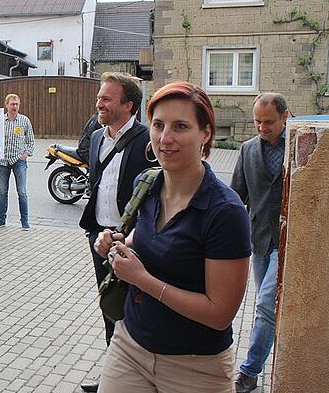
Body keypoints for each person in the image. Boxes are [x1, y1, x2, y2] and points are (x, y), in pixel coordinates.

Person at [94, 81, 251, 392]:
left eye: (180, 126)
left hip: (195, 367)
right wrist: (117, 246)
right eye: (158, 125)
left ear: (205, 133)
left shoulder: (225, 212)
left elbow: (219, 314)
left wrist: (141, 279)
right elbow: (146, 238)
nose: (165, 139)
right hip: (130, 347)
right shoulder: (147, 184)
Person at [76, 73, 153, 393]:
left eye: (106, 99)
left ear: (128, 105)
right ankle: (113, 374)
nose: (99, 104)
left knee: (136, 309)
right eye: (99, 98)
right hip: (99, 238)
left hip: (133, 241)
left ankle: (140, 376)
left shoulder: (147, 141)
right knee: (110, 305)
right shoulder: (95, 137)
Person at [231, 92, 289, 393]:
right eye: (257, 121)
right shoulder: (247, 149)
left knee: (266, 303)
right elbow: (236, 196)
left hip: (288, 240)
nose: (262, 127)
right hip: (259, 241)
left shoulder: (298, 148)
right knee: (268, 305)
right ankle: (278, 350)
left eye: (268, 122)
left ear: (285, 117)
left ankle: (250, 371)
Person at [0, 94, 34, 230]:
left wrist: (26, 153)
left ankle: (24, 221)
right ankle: (1, 219)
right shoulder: (0, 121)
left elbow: (31, 140)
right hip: (2, 161)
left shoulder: (24, 121)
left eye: (17, 104)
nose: (14, 107)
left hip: (18, 161)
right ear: (6, 105)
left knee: (22, 192)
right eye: (12, 104)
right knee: (2, 192)